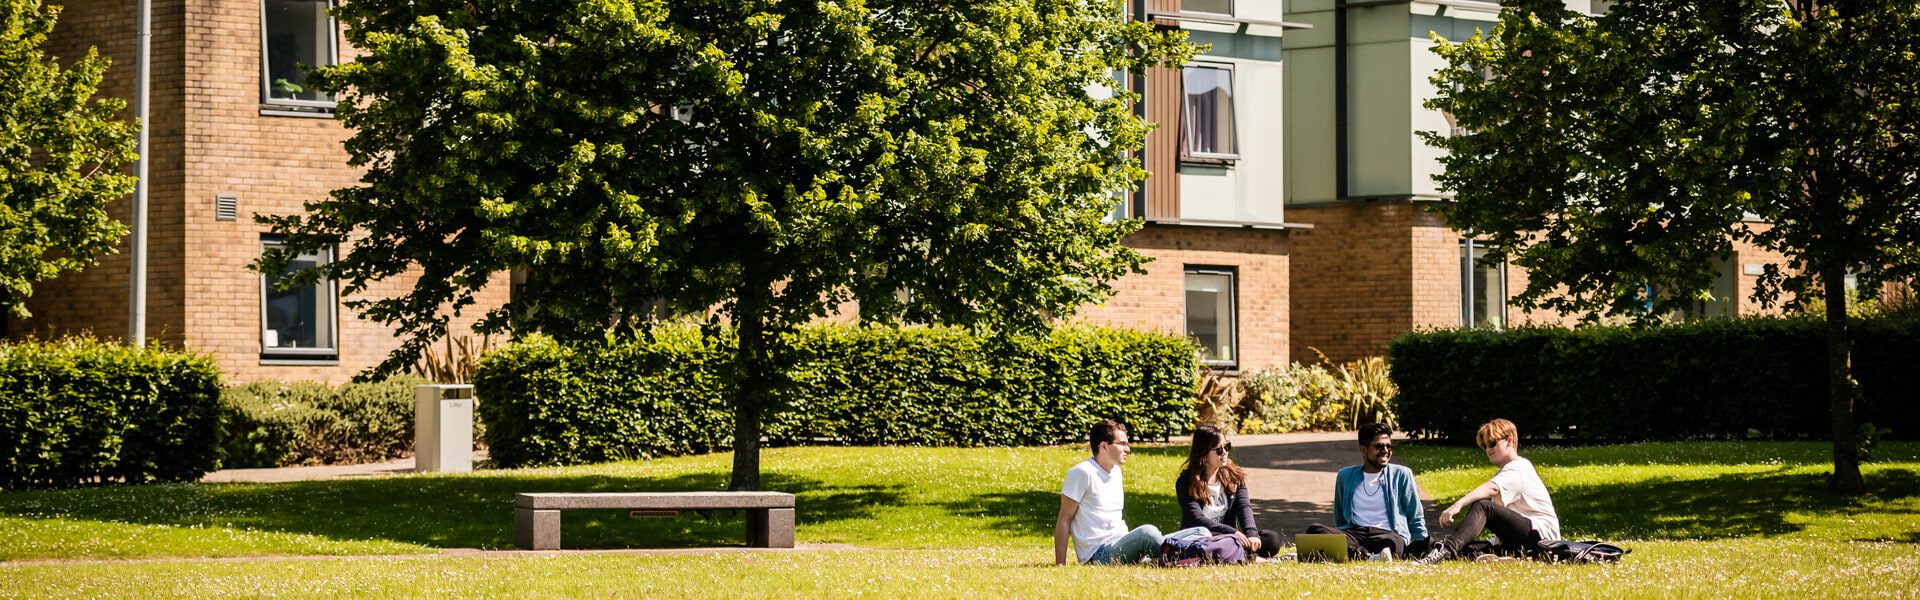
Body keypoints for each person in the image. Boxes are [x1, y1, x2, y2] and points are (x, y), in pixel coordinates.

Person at [1417, 418, 1560, 564]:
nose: (1488, 449)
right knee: (1466, 549)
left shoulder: (1519, 466)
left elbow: (1491, 488)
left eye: (1492, 443)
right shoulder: (1505, 471)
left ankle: (1445, 551)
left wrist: (1457, 505)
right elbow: (1504, 520)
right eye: (1484, 445)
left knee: (1483, 507)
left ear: (1509, 441)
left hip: (1541, 538)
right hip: (1521, 540)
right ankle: (1502, 556)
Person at [1302, 422, 1431, 560]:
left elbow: (1415, 514)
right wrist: (1339, 538)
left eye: (1389, 446)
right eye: (1379, 446)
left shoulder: (1401, 474)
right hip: (1355, 533)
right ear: (1363, 450)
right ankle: (1368, 556)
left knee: (1393, 543)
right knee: (1315, 530)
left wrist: (1422, 544)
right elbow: (1339, 515)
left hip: (1387, 534)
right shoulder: (1345, 476)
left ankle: (1352, 554)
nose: (1385, 450)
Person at [1055, 419, 1164, 565]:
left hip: (1120, 541)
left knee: (1199, 532)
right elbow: (1064, 519)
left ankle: (1174, 555)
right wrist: (1060, 564)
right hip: (1098, 553)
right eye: (1122, 444)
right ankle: (1172, 557)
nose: (1128, 449)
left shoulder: (1116, 471)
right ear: (1104, 446)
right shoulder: (1082, 472)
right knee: (1148, 533)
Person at [1174, 425, 1281, 559]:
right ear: (1203, 452)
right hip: (1203, 537)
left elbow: (1244, 507)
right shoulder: (1186, 481)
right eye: (1218, 450)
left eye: (1226, 447)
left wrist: (1251, 534)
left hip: (1230, 537)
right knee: (1225, 544)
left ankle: (1240, 554)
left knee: (1272, 540)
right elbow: (1195, 518)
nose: (1224, 452)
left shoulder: (1234, 477)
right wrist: (1233, 532)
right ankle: (1248, 557)